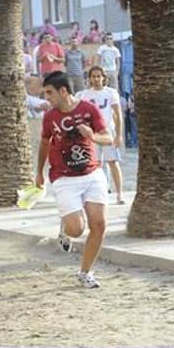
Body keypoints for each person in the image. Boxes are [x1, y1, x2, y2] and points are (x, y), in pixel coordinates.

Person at [35, 71, 113, 288]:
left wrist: (92, 136)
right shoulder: (50, 117)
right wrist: (39, 172)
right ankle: (65, 228)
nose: (47, 98)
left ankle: (85, 272)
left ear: (63, 91)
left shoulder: (88, 109)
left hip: (91, 174)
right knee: (77, 229)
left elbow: (108, 138)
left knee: (99, 224)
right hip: (63, 177)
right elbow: (44, 144)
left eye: (49, 93)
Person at [76, 66, 125, 204]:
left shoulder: (111, 93)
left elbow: (117, 114)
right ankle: (100, 193)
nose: (96, 79)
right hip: (92, 134)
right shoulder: (84, 95)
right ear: (89, 78)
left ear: (103, 77)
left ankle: (119, 194)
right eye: (93, 76)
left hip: (108, 132)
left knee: (113, 162)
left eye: (99, 76)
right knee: (95, 164)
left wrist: (119, 135)